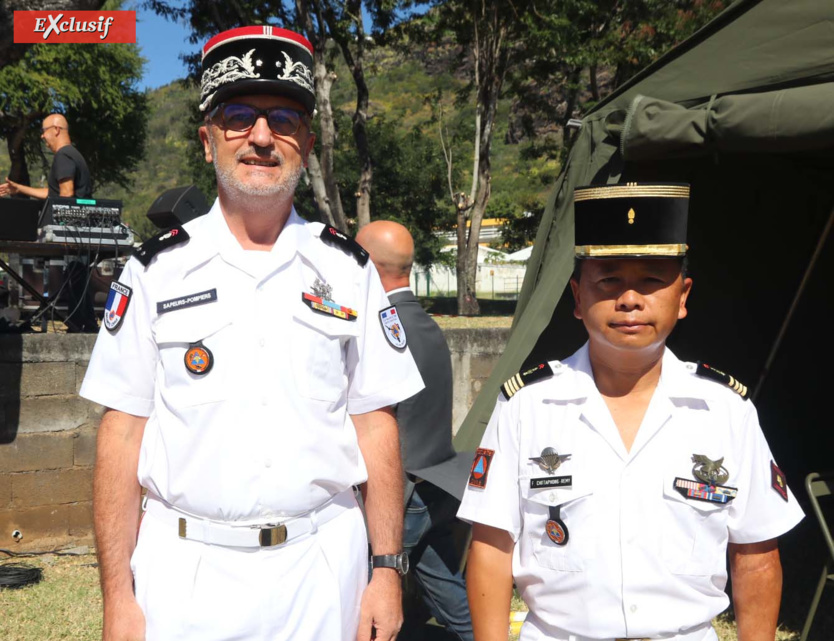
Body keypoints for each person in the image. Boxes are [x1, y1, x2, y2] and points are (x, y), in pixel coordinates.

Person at [80, 26, 423, 641]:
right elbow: (122, 432)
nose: (262, 137)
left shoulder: (347, 268)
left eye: (284, 120)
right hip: (186, 571)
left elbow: (376, 422)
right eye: (238, 117)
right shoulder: (154, 271)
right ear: (207, 140)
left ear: (307, 143)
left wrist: (387, 570)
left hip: (324, 567)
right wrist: (117, 596)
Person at [458, 182, 804, 641]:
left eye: (651, 281)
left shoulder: (725, 409)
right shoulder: (527, 405)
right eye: (610, 281)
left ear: (682, 297)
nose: (630, 300)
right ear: (577, 298)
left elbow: (756, 551)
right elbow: (491, 546)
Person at [356, 221, 474, 641]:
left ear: (367, 264)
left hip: (401, 497)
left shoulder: (379, 328)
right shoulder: (424, 323)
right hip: (437, 483)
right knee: (453, 601)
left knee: (363, 605)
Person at [0, 113, 91, 199]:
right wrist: (19, 188)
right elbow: (53, 193)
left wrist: (57, 214)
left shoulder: (63, 155)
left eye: (44, 130)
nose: (42, 136)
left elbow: (66, 194)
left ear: (56, 130)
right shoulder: (72, 154)